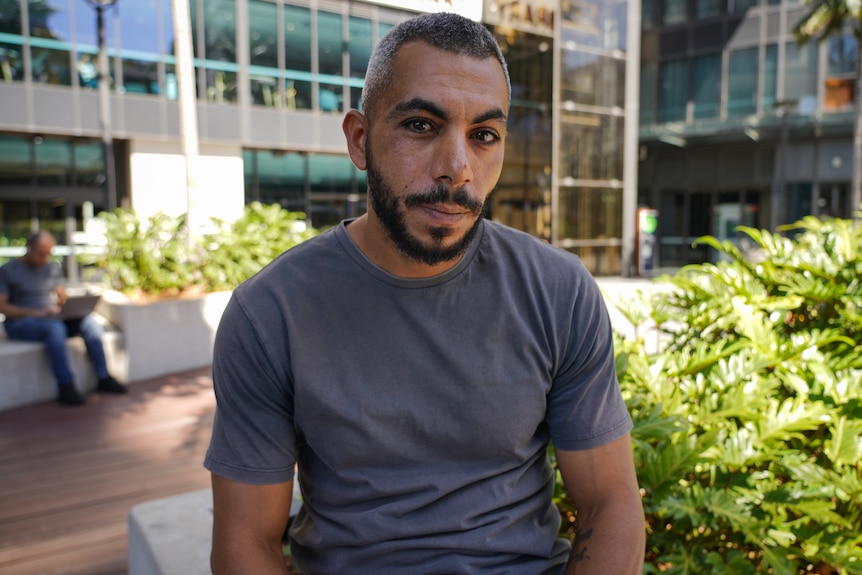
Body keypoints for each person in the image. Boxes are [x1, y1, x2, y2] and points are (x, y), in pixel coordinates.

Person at [205, 12, 645, 575]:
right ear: (360, 140)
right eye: (420, 125)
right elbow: (248, 545)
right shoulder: (269, 314)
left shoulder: (557, 292)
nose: (457, 168)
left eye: (484, 135)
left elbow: (612, 502)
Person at [0, 231, 126, 405]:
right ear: (28, 248)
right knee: (55, 328)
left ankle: (103, 377)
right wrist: (36, 312)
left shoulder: (51, 268)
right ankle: (66, 386)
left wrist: (67, 309)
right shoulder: (8, 270)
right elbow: (3, 307)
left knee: (89, 322)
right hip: (20, 323)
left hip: (50, 318)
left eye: (49, 253)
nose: (45, 258)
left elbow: (62, 297)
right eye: (40, 254)